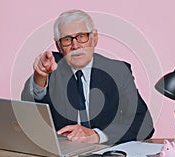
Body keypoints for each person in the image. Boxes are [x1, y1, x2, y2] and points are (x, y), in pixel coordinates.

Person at [21, 9, 154, 145]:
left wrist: (98, 135)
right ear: (58, 46)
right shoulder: (50, 66)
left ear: (94, 38)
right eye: (67, 39)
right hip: (58, 155)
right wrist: (40, 77)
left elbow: (145, 124)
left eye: (81, 36)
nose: (75, 45)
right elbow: (27, 114)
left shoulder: (118, 72)